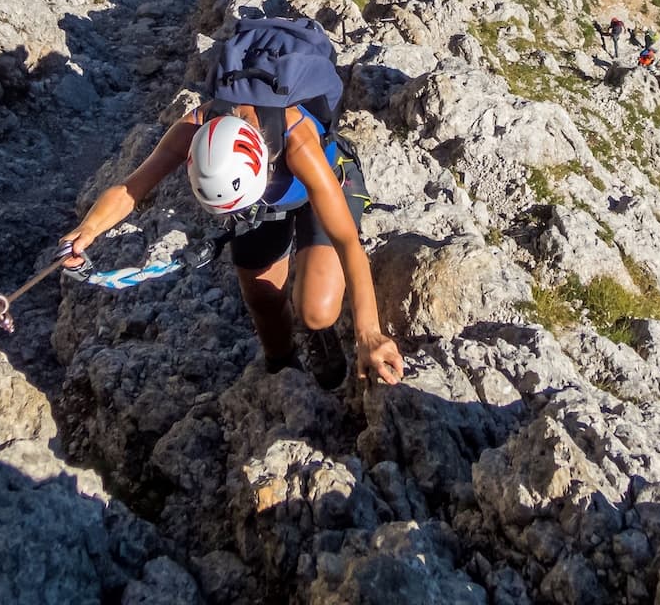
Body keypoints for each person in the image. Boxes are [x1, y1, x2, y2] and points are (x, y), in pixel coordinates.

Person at [60, 98, 405, 388]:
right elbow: (132, 188)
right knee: (261, 296)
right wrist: (88, 229)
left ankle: (319, 333)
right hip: (260, 205)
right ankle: (282, 366)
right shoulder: (195, 127)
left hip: (325, 182)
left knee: (316, 309)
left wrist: (369, 334)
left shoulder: (297, 141)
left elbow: (346, 242)